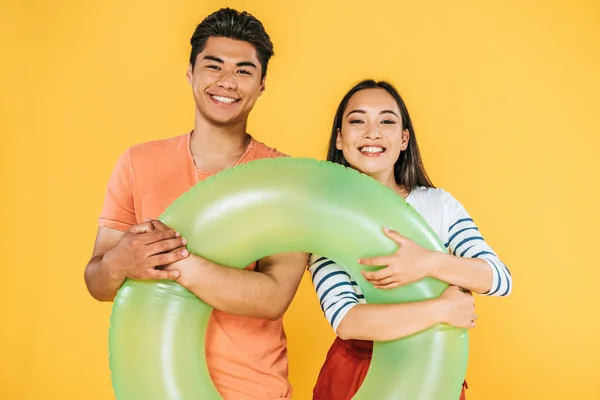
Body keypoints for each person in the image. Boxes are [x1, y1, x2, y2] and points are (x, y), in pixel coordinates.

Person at [84, 8, 309, 400]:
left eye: (244, 70)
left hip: (255, 391)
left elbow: (274, 297)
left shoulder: (284, 178)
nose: (227, 82)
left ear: (261, 85)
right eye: (214, 65)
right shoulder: (138, 163)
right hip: (156, 385)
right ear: (190, 72)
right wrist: (121, 260)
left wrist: (174, 260)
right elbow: (97, 282)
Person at [308, 79, 513, 400]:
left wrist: (428, 262)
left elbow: (499, 279)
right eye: (357, 120)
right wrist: (441, 310)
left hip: (434, 371)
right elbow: (346, 320)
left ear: (404, 139)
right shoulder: (325, 219)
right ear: (339, 138)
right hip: (358, 374)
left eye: (387, 121)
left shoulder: (438, 205)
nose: (372, 132)